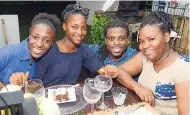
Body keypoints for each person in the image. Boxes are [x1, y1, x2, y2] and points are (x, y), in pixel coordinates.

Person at [115, 11, 189, 115]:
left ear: (166, 37)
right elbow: (119, 71)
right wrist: (138, 88)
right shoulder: (144, 58)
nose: (145, 46)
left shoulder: (183, 70)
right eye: (141, 41)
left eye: (151, 39)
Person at [33, 3, 117, 87]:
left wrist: (109, 70)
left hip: (72, 96)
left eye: (83, 28)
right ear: (64, 26)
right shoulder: (48, 50)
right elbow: (35, 84)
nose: (80, 32)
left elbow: (102, 71)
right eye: (74, 27)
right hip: (47, 97)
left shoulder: (83, 50)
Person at [0, 13, 61, 85]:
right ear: (29, 36)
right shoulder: (8, 52)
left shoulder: (45, 61)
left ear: (52, 44)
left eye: (46, 40)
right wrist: (6, 84)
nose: (39, 44)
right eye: (35, 37)